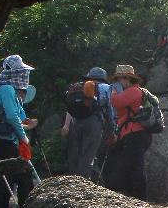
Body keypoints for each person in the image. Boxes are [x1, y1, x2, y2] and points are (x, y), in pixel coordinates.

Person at [0, 54, 38, 208]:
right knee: (7, 180)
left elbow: (17, 117)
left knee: (21, 179)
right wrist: (23, 135)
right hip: (3, 142)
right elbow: (11, 116)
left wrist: (25, 126)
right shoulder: (7, 90)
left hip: (10, 141)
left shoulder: (10, 91)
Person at [105, 63, 151, 199]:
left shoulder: (133, 91)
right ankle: (134, 195)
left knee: (135, 165)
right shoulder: (137, 91)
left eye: (121, 79)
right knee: (131, 164)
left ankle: (140, 198)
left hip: (135, 133)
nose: (119, 82)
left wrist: (112, 92)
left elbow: (116, 102)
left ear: (128, 79)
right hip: (136, 133)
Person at [61, 66, 113, 179]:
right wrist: (112, 128)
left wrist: (66, 125)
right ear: (103, 78)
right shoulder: (106, 87)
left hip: (76, 122)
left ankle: (75, 179)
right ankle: (84, 182)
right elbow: (110, 108)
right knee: (88, 153)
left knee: (77, 153)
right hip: (94, 122)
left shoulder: (79, 86)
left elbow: (69, 108)